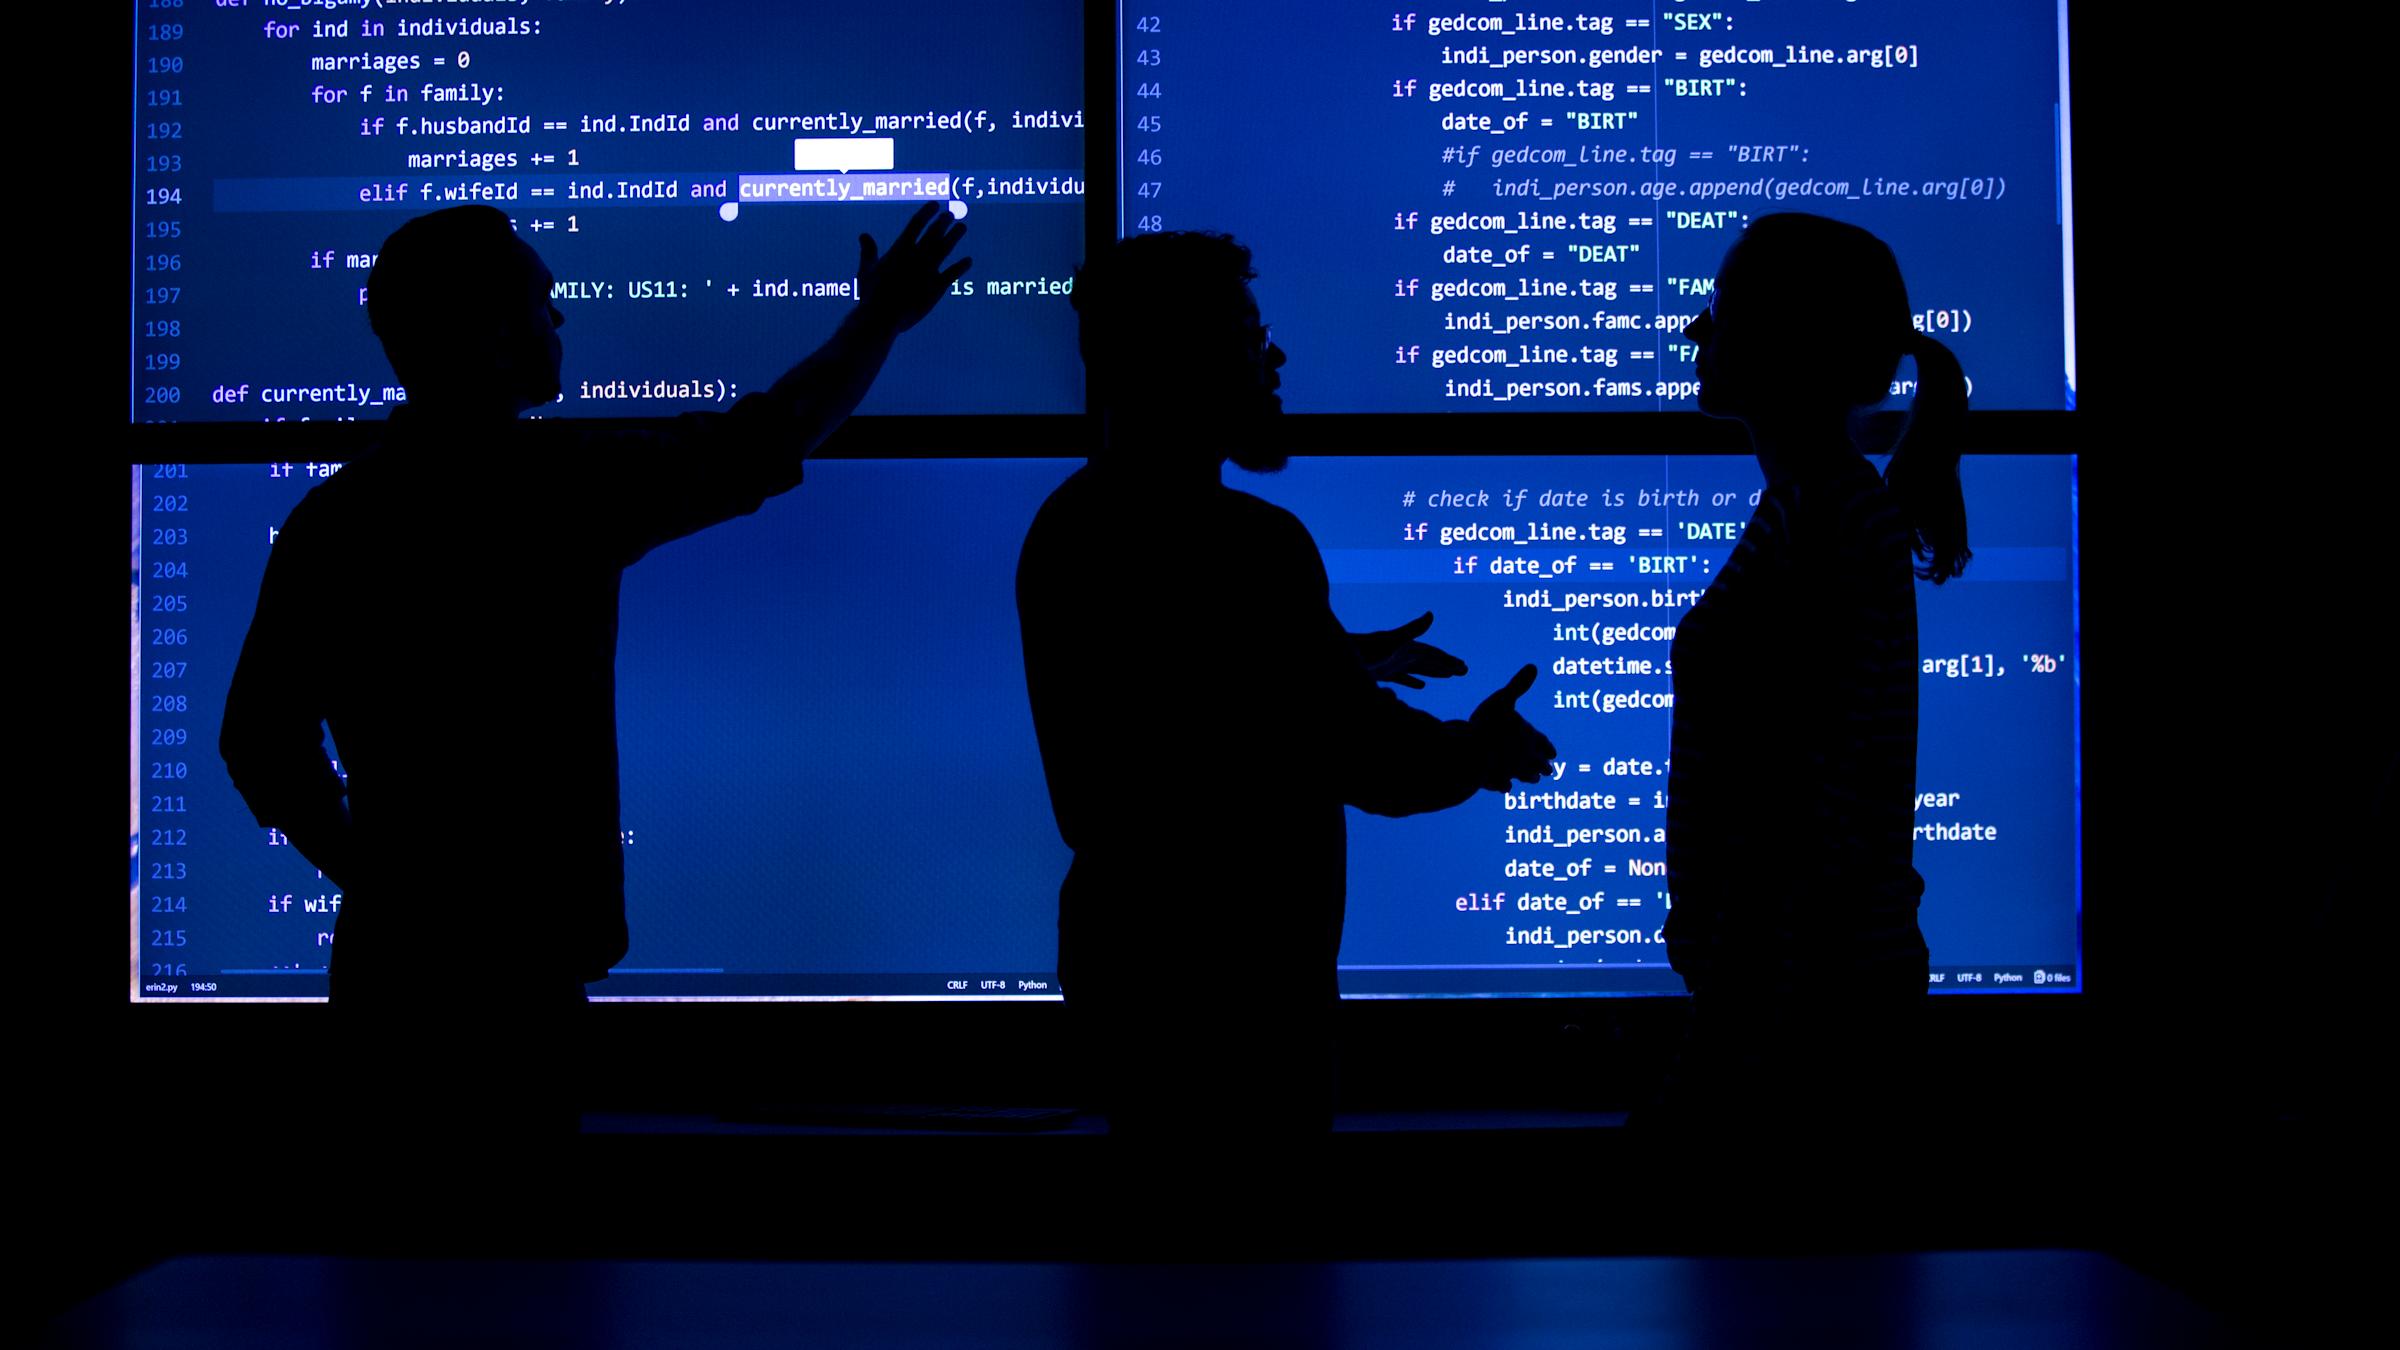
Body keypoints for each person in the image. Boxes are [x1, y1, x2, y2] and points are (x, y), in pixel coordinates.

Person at [219, 201, 967, 1129]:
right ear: (495, 337)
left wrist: (387, 883)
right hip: (522, 992)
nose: (560, 322)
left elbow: (256, 741)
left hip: (388, 984)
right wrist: (878, 320)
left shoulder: (335, 519)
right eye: (545, 303)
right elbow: (767, 438)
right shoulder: (555, 492)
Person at [1015, 232, 1555, 1140]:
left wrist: (1329, 654)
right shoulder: (1251, 547)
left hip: (1128, 972)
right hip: (1247, 997)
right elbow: (1369, 758)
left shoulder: (1072, 522)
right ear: (1178, 359)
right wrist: (1480, 747)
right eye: (1246, 334)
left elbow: (1190, 695)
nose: (1274, 358)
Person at [1656, 212, 1970, 1140]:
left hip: (1801, 1007)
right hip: (1807, 989)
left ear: (1786, 342)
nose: (1697, 332)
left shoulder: (1824, 522)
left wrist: (1737, 986)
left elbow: (1799, 800)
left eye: (1722, 310)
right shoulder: (1822, 508)